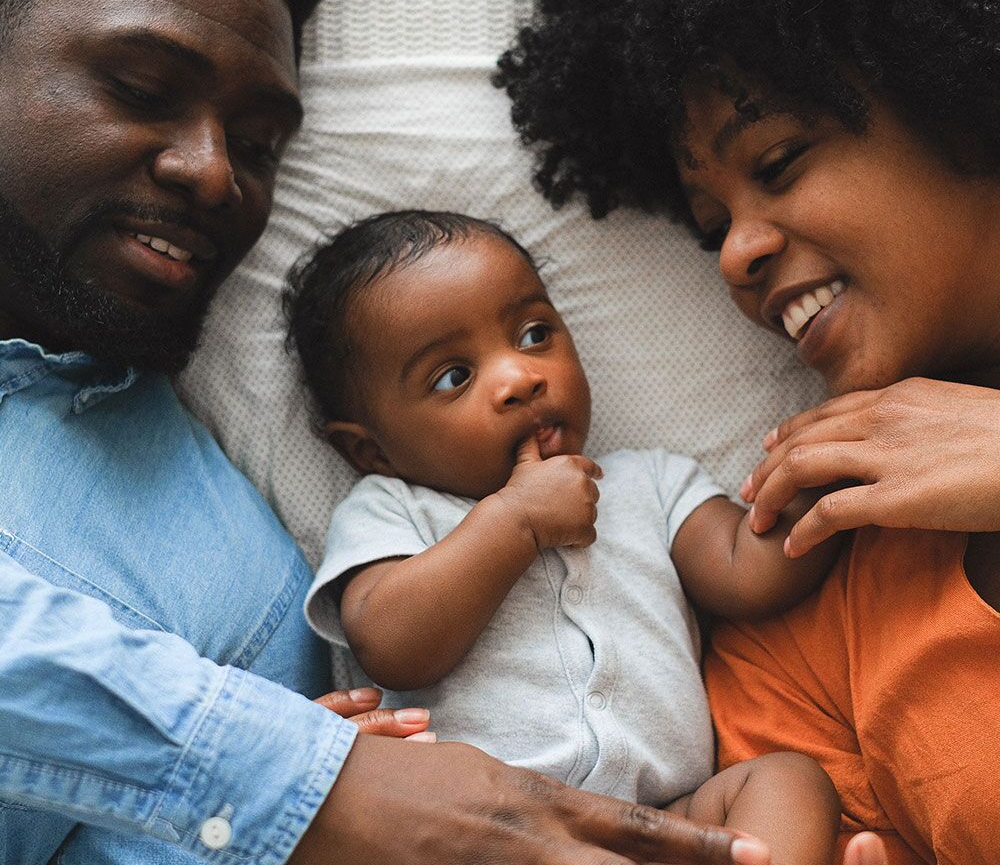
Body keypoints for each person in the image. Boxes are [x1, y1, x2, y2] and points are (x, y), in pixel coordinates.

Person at [0, 0, 777, 864]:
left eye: (259, 142)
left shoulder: (233, 529)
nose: (213, 172)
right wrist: (306, 774)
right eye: (140, 88)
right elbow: (316, 787)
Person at [494, 0, 1000, 863]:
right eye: (710, 222)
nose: (734, 254)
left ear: (958, 89)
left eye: (776, 162)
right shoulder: (819, 576)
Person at [285, 208, 853, 865]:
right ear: (371, 451)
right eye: (453, 376)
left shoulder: (649, 483)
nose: (519, 377)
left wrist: (815, 474)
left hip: (661, 822)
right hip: (481, 834)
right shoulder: (393, 509)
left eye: (532, 334)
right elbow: (391, 643)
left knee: (788, 782)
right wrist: (516, 521)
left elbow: (745, 570)